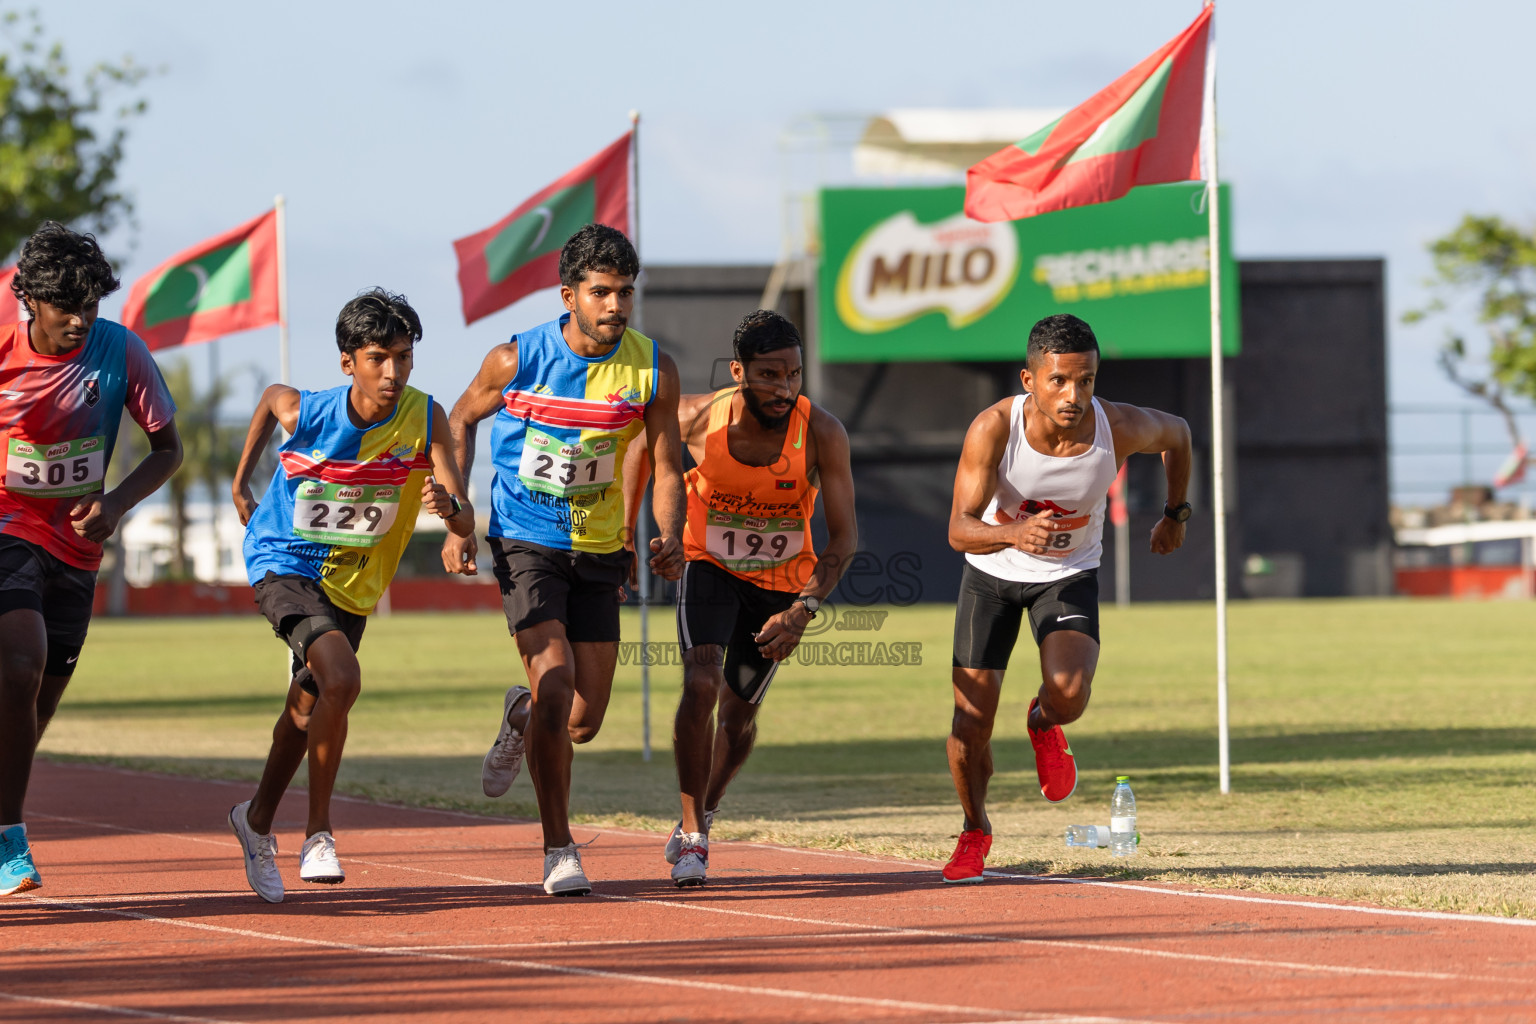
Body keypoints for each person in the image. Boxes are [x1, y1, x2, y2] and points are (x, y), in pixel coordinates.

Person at [443, 224, 685, 897]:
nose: (615, 306)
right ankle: (559, 848)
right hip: (526, 538)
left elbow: (667, 464)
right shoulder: (515, 359)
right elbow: (459, 419)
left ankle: (520, 716)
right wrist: (460, 515)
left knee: (580, 719)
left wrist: (669, 532)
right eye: (601, 292)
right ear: (568, 294)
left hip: (600, 546)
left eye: (625, 293)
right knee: (556, 682)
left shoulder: (653, 368)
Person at [228, 288, 473, 904]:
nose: (393, 373)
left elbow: (464, 516)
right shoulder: (306, 412)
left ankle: (255, 822)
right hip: (283, 561)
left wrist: (452, 509)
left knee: (306, 708)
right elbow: (267, 398)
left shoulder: (425, 417)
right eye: (378, 358)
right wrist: (240, 485)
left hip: (354, 585)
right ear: (348, 363)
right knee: (341, 678)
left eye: (405, 358)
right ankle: (318, 834)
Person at [942, 313, 1191, 884]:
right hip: (991, 574)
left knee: (1071, 694)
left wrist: (1176, 514)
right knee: (969, 724)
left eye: (1086, 380)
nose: (1074, 395)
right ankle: (975, 829)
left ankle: (1043, 721)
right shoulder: (993, 429)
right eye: (1059, 381)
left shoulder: (1118, 428)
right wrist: (1011, 533)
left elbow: (1178, 433)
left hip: (1068, 571)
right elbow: (958, 530)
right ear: (1029, 380)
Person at [623, 309, 857, 887]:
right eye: (770, 375)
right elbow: (638, 447)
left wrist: (804, 610)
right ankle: (693, 835)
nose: (784, 388)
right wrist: (633, 535)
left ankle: (707, 807)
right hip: (709, 565)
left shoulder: (822, 432)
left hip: (780, 586)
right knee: (701, 681)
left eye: (794, 375)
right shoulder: (699, 416)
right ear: (739, 371)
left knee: (740, 713)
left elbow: (845, 538)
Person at [0, 223, 183, 897]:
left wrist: (117, 502)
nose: (80, 320)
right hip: (7, 524)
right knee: (21, 661)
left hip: (78, 543)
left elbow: (168, 448)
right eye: (65, 307)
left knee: (36, 702)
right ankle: (9, 840)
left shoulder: (120, 352)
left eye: (92, 306)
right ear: (32, 305)